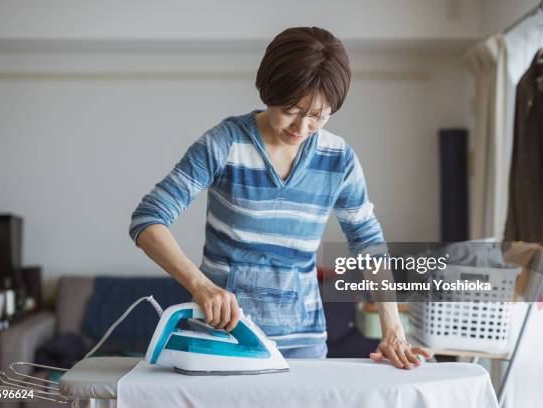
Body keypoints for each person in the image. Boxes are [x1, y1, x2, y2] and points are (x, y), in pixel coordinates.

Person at [129, 26, 429, 368]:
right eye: (290, 109)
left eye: (317, 116)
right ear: (268, 90)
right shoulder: (224, 145)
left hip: (305, 343)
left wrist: (393, 328)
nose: (301, 128)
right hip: (225, 337)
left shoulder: (339, 159)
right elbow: (148, 219)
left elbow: (367, 242)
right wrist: (201, 286)